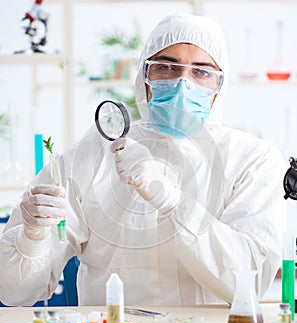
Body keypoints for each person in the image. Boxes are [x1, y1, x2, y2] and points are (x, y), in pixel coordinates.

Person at [0, 13, 286, 306]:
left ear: (220, 86)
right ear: (144, 76)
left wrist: (171, 201)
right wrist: (31, 237)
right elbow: (14, 292)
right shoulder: (96, 152)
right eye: (166, 67)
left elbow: (250, 283)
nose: (181, 83)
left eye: (201, 72)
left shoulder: (251, 159)